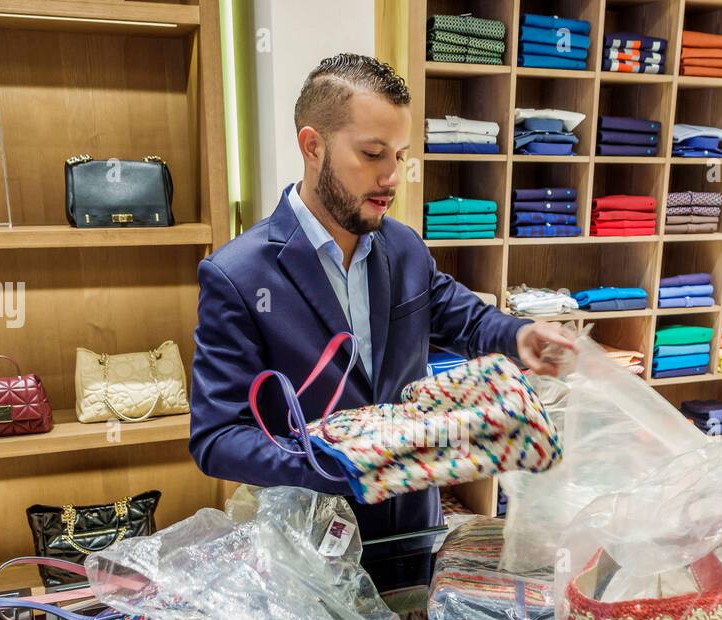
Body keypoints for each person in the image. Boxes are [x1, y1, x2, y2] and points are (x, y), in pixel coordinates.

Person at [189, 53, 574, 539]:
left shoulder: (404, 247)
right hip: (310, 547)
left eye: (400, 156)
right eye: (373, 155)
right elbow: (217, 439)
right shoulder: (238, 275)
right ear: (313, 147)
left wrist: (521, 335)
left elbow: (466, 320)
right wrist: (345, 464)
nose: (392, 177)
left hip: (415, 527)